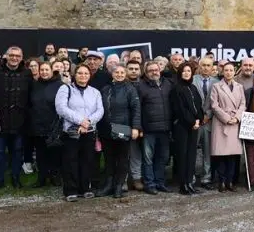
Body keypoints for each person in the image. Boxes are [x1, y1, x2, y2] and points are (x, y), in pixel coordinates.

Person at [54, 63, 103, 201]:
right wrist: (80, 120)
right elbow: (61, 108)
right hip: (71, 132)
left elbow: (100, 111)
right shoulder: (65, 89)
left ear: (90, 75)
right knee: (70, 161)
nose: (83, 76)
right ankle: (71, 190)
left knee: (87, 160)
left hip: (89, 131)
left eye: (86, 73)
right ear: (75, 75)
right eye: (80, 73)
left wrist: (87, 123)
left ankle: (85, 188)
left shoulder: (95, 92)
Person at [0, 46, 32, 190]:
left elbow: (31, 94)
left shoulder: (27, 73)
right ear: (6, 56)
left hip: (20, 119)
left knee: (18, 150)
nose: (14, 58)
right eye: (11, 55)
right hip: (0, 118)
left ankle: (15, 178)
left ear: (21, 57)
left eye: (17, 56)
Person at [95, 64, 142, 199]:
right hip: (106, 129)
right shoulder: (105, 89)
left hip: (123, 128)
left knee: (122, 159)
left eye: (122, 72)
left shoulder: (130, 89)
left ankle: (118, 186)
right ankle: (109, 185)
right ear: (112, 74)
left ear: (125, 74)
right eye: (117, 72)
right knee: (109, 159)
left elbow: (136, 109)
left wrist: (135, 128)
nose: (120, 74)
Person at [135, 61, 174, 195]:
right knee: (148, 158)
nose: (154, 72)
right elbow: (137, 109)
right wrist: (138, 127)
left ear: (160, 70)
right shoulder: (140, 86)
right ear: (146, 72)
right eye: (150, 70)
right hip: (148, 129)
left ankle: (160, 182)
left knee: (162, 158)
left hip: (165, 128)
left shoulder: (168, 84)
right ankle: (150, 184)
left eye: (156, 69)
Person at [209, 61, 247, 192]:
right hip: (221, 123)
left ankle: (230, 181)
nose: (229, 72)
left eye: (231, 70)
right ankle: (221, 181)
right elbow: (214, 105)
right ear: (222, 72)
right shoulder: (216, 86)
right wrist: (226, 118)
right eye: (226, 70)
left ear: (235, 71)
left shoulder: (239, 87)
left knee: (232, 155)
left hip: (235, 122)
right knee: (221, 154)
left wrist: (236, 117)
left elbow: (243, 104)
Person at [167, 62, 203, 194]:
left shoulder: (193, 88)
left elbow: (199, 105)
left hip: (194, 126)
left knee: (192, 155)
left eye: (189, 71)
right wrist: (192, 121)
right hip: (182, 126)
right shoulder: (176, 89)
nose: (187, 73)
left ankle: (190, 182)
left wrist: (198, 119)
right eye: (184, 71)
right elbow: (180, 109)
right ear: (180, 73)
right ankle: (183, 184)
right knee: (182, 155)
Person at [28, 61, 63, 188]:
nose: (44, 72)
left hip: (54, 125)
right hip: (37, 124)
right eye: (41, 70)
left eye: (46, 70)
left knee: (55, 152)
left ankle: (55, 176)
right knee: (41, 153)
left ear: (51, 71)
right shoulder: (34, 85)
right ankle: (41, 178)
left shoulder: (59, 85)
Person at [195, 56, 219, 189]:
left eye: (208, 65)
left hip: (209, 122)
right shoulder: (192, 80)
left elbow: (217, 102)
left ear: (212, 67)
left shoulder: (217, 82)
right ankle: (191, 177)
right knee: (192, 151)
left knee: (207, 151)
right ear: (199, 66)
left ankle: (206, 178)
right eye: (203, 65)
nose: (205, 68)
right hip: (195, 122)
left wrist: (208, 115)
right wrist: (199, 116)